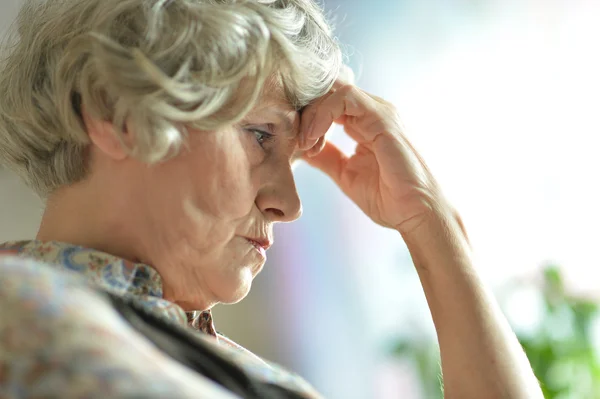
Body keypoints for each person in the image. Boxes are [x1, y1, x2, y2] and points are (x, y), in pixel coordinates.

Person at [0, 0, 543, 397]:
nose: (289, 203)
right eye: (260, 135)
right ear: (116, 114)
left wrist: (431, 224)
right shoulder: (20, 307)